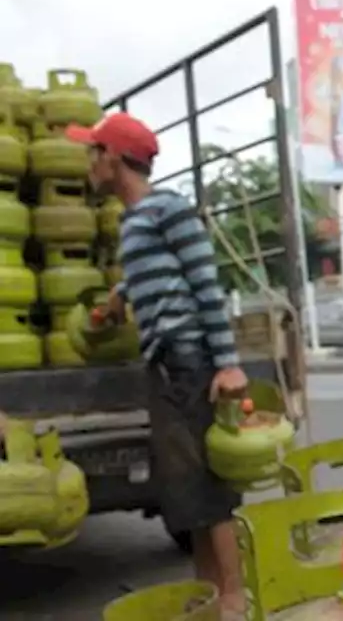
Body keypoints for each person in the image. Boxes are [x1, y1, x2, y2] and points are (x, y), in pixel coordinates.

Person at [66, 113, 250, 616]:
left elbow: (204, 284)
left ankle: (233, 598)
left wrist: (227, 364)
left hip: (189, 361)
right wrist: (119, 298)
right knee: (186, 490)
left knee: (209, 489)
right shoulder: (135, 221)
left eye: (93, 152)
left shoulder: (168, 210)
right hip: (165, 366)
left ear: (113, 159)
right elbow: (159, 274)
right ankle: (208, 594)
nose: (88, 164)